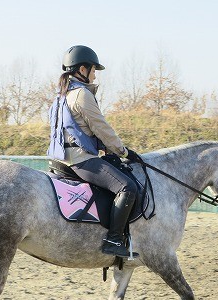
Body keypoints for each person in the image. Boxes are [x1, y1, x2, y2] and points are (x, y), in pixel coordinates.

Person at [47, 45, 140, 258]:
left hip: (58, 159)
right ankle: (113, 239)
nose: (95, 74)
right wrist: (123, 151)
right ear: (82, 69)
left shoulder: (61, 96)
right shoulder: (81, 95)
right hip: (79, 160)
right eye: (93, 69)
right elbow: (101, 127)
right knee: (127, 187)